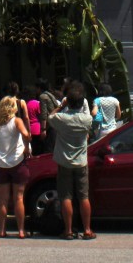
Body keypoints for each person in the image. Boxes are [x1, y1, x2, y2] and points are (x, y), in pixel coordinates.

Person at [48, 81, 96, 240]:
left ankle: (68, 230)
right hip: (81, 162)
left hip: (64, 162)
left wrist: (62, 106)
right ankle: (87, 230)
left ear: (68, 102)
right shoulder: (86, 120)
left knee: (66, 197)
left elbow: (50, 116)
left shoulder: (61, 118)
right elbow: (90, 115)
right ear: (82, 103)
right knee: (83, 197)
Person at [0, 96, 30, 238]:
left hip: (1, 164)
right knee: (19, 198)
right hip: (17, 162)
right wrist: (26, 147)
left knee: (3, 199)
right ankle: (20, 231)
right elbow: (26, 134)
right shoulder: (16, 121)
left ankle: (2, 230)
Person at [36, 78, 58, 154]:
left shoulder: (42, 96)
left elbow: (44, 114)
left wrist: (43, 129)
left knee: (48, 149)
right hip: (55, 123)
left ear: (39, 88)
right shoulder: (51, 95)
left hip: (49, 125)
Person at [25, 87, 42, 155]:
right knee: (39, 151)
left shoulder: (25, 104)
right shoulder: (38, 103)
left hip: (28, 130)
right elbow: (41, 116)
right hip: (37, 129)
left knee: (33, 151)